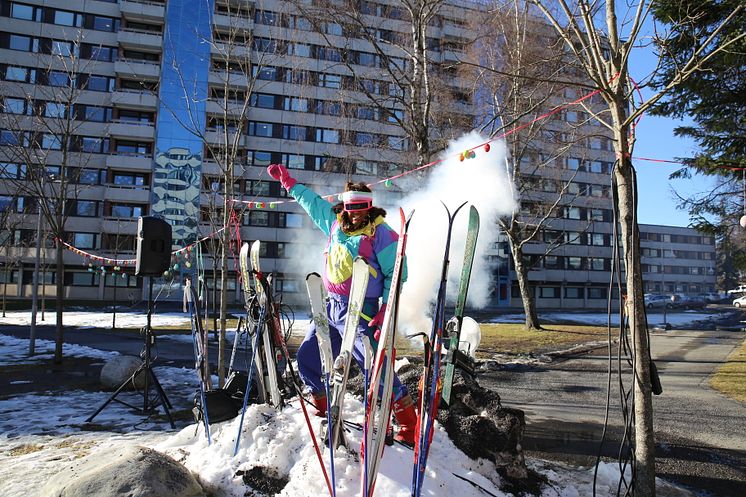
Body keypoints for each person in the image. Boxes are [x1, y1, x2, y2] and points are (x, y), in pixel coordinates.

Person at [266, 163, 417, 445]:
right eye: (352, 207)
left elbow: (397, 274)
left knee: (375, 369)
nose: (357, 213)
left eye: (362, 207)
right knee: (309, 358)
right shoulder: (336, 223)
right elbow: (312, 204)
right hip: (331, 307)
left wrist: (386, 308)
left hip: (363, 311)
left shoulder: (383, 235)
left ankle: (408, 424)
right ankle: (325, 410)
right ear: (345, 207)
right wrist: (289, 183)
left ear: (370, 206)